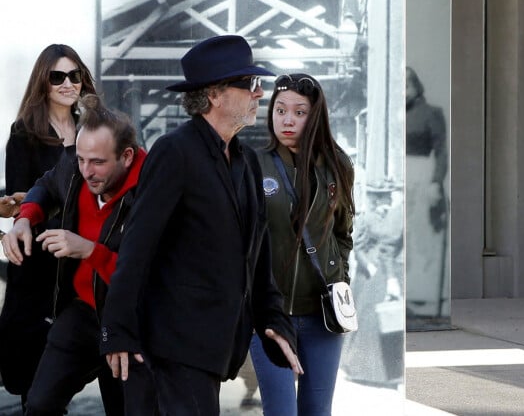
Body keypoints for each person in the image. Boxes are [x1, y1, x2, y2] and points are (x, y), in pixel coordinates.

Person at [99, 35, 303, 416]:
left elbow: (257, 256)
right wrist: (117, 330)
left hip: (214, 347)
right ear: (215, 95)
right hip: (170, 346)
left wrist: (273, 317)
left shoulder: (245, 161)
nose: (260, 94)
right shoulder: (174, 152)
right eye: (250, 85)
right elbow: (136, 246)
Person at [1, 94, 155, 416]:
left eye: (98, 162)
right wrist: (25, 218)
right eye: (81, 159)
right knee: (39, 404)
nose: (86, 171)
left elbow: (150, 280)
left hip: (131, 321)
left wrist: (89, 250)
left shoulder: (153, 191)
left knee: (127, 410)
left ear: (127, 156)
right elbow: (47, 184)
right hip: (82, 312)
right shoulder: (75, 167)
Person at [249, 72, 355, 416]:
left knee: (316, 411)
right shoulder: (253, 164)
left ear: (315, 115)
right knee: (281, 411)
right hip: (270, 315)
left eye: (299, 111)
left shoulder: (336, 166)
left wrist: (340, 280)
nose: (288, 120)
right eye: (280, 110)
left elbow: (343, 232)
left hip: (321, 315)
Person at [0, 43, 96, 409]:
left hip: (86, 265)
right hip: (42, 266)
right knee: (37, 381)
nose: (68, 83)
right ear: (43, 81)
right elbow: (24, 203)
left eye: (75, 75)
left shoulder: (93, 128)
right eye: (58, 76)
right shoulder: (24, 133)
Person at [340, 183, 404, 387]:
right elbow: (359, 246)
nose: (385, 201)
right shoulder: (367, 218)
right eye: (382, 198)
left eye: (387, 198)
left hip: (383, 271)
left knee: (377, 320)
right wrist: (369, 266)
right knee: (367, 316)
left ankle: (379, 368)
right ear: (376, 200)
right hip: (370, 272)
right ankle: (359, 364)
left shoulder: (389, 217)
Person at [405, 66, 449, 324]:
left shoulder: (432, 114)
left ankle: (423, 298)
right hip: (400, 176)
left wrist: (436, 182)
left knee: (422, 237)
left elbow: (442, 150)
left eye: (408, 84)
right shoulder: (395, 114)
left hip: (421, 175)